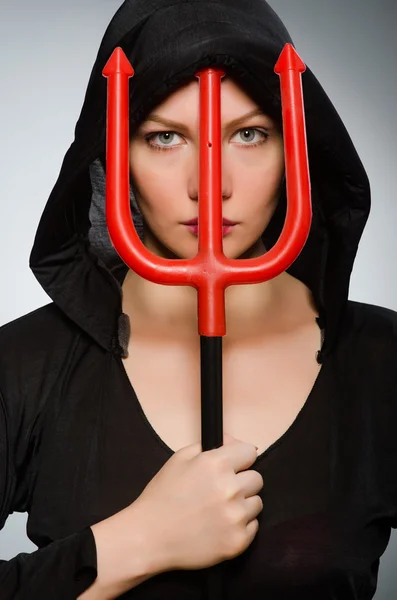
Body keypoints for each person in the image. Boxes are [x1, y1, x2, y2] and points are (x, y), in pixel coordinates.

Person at [1, 0, 396, 599]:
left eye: (250, 134)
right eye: (164, 137)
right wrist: (137, 543)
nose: (209, 185)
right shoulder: (26, 364)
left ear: (297, 150)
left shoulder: (383, 362)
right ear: (113, 159)